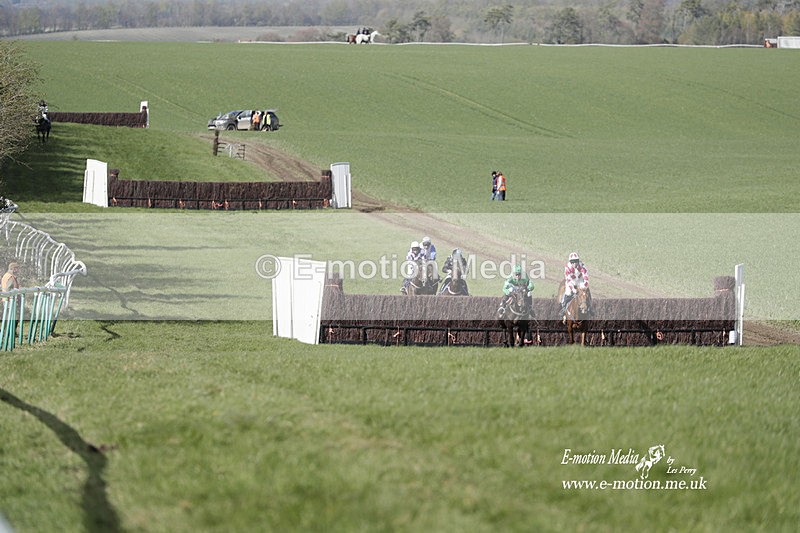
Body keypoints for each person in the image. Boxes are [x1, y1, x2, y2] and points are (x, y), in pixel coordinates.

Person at [561, 252, 590, 320]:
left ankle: (590, 308)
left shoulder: (582, 266)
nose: (574, 263)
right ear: (570, 262)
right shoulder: (567, 268)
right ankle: (563, 307)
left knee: (584, 293)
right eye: (572, 262)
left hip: (580, 281)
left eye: (576, 261)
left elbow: (586, 277)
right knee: (568, 293)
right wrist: (574, 290)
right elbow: (568, 280)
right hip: (571, 281)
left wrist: (584, 287)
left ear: (578, 261)